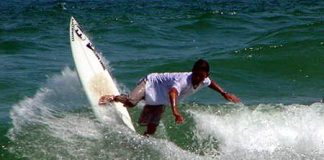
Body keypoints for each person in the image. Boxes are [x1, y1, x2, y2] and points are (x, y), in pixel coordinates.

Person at [98, 59, 240, 135]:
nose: (197, 78)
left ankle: (142, 140)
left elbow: (210, 83)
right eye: (196, 74)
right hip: (150, 83)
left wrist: (223, 93)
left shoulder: (204, 80)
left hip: (161, 98)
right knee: (130, 102)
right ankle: (113, 97)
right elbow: (173, 92)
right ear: (192, 72)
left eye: (201, 76)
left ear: (206, 76)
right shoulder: (183, 80)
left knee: (152, 127)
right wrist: (175, 112)